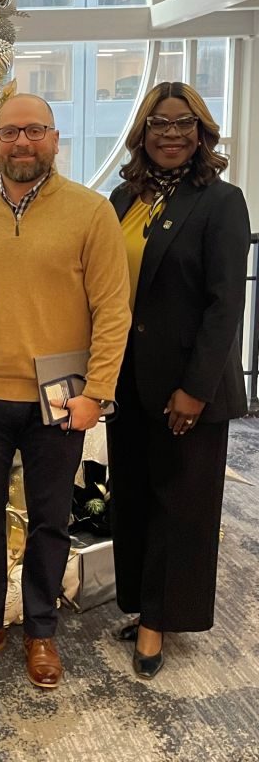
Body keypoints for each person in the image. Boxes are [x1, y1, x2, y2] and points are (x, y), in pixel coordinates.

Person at [0, 93, 131, 688]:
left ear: (54, 138)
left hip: (60, 399)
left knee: (50, 518)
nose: (22, 143)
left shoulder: (91, 212)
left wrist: (96, 393)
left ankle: (41, 630)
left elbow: (113, 309)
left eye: (35, 132)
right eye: (10, 132)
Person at [107, 81, 251, 679]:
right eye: (160, 123)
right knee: (135, 498)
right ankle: (144, 603)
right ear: (142, 131)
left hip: (187, 388)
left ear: (202, 133)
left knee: (180, 505)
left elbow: (224, 306)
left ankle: (157, 624)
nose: (171, 133)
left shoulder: (221, 201)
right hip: (127, 382)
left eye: (183, 123)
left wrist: (195, 388)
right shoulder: (122, 199)